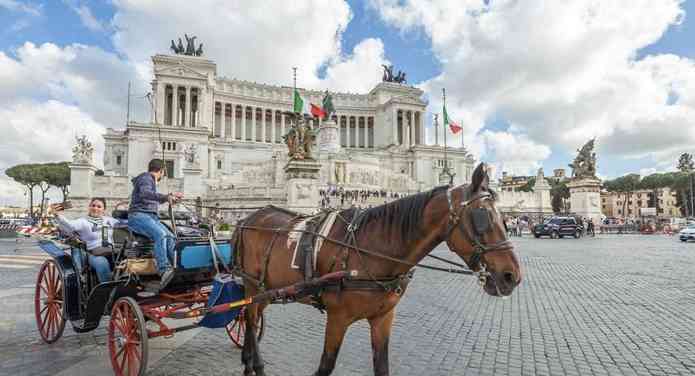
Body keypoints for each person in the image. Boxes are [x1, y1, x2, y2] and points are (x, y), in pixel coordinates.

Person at [128, 159, 184, 289]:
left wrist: (170, 198)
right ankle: (164, 270)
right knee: (161, 234)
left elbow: (150, 199)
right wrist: (166, 197)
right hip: (138, 216)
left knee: (170, 236)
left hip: (149, 217)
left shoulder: (148, 181)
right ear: (161, 171)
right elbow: (145, 194)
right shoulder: (147, 178)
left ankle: (176, 267)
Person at [52, 198, 119, 283]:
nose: (95, 208)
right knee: (102, 263)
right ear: (89, 207)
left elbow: (123, 223)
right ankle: (108, 292)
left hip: (111, 252)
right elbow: (70, 225)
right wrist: (57, 215)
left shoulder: (109, 220)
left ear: (104, 209)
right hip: (93, 254)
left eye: (99, 206)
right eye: (93, 205)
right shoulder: (83, 221)